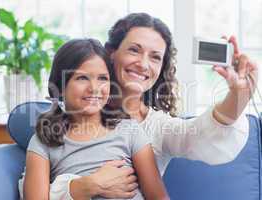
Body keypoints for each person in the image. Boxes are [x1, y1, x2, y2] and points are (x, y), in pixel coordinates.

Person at [46, 13, 258, 200]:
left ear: (161, 68)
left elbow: (203, 137)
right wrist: (82, 187)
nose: (144, 64)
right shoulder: (75, 114)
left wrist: (238, 95)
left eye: (155, 57)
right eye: (134, 50)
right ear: (112, 52)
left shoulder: (156, 127)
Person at [21, 38, 170, 200]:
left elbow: (158, 197)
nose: (94, 88)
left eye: (102, 78)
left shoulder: (130, 131)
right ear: (60, 87)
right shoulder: (44, 141)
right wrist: (89, 186)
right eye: (82, 78)